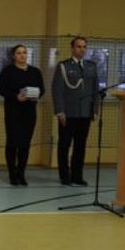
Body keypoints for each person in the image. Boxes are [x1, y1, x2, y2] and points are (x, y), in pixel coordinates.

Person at [51, 36, 98, 186]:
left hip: (84, 113)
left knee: (80, 146)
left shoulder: (91, 66)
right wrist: (60, 111)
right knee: (64, 145)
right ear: (72, 48)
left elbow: (95, 89)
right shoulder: (63, 66)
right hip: (68, 113)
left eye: (84, 47)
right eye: (79, 46)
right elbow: (57, 90)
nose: (82, 49)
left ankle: (77, 175)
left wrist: (94, 110)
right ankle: (64, 176)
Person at [0, 44, 45, 186]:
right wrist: (15, 97)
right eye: (19, 53)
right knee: (12, 143)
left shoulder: (35, 72)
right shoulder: (7, 71)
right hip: (13, 112)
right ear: (14, 56)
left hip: (29, 112)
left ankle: (21, 174)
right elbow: (0, 89)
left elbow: (42, 89)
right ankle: (12, 174)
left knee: (25, 144)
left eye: (24, 52)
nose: (22, 55)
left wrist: (37, 96)